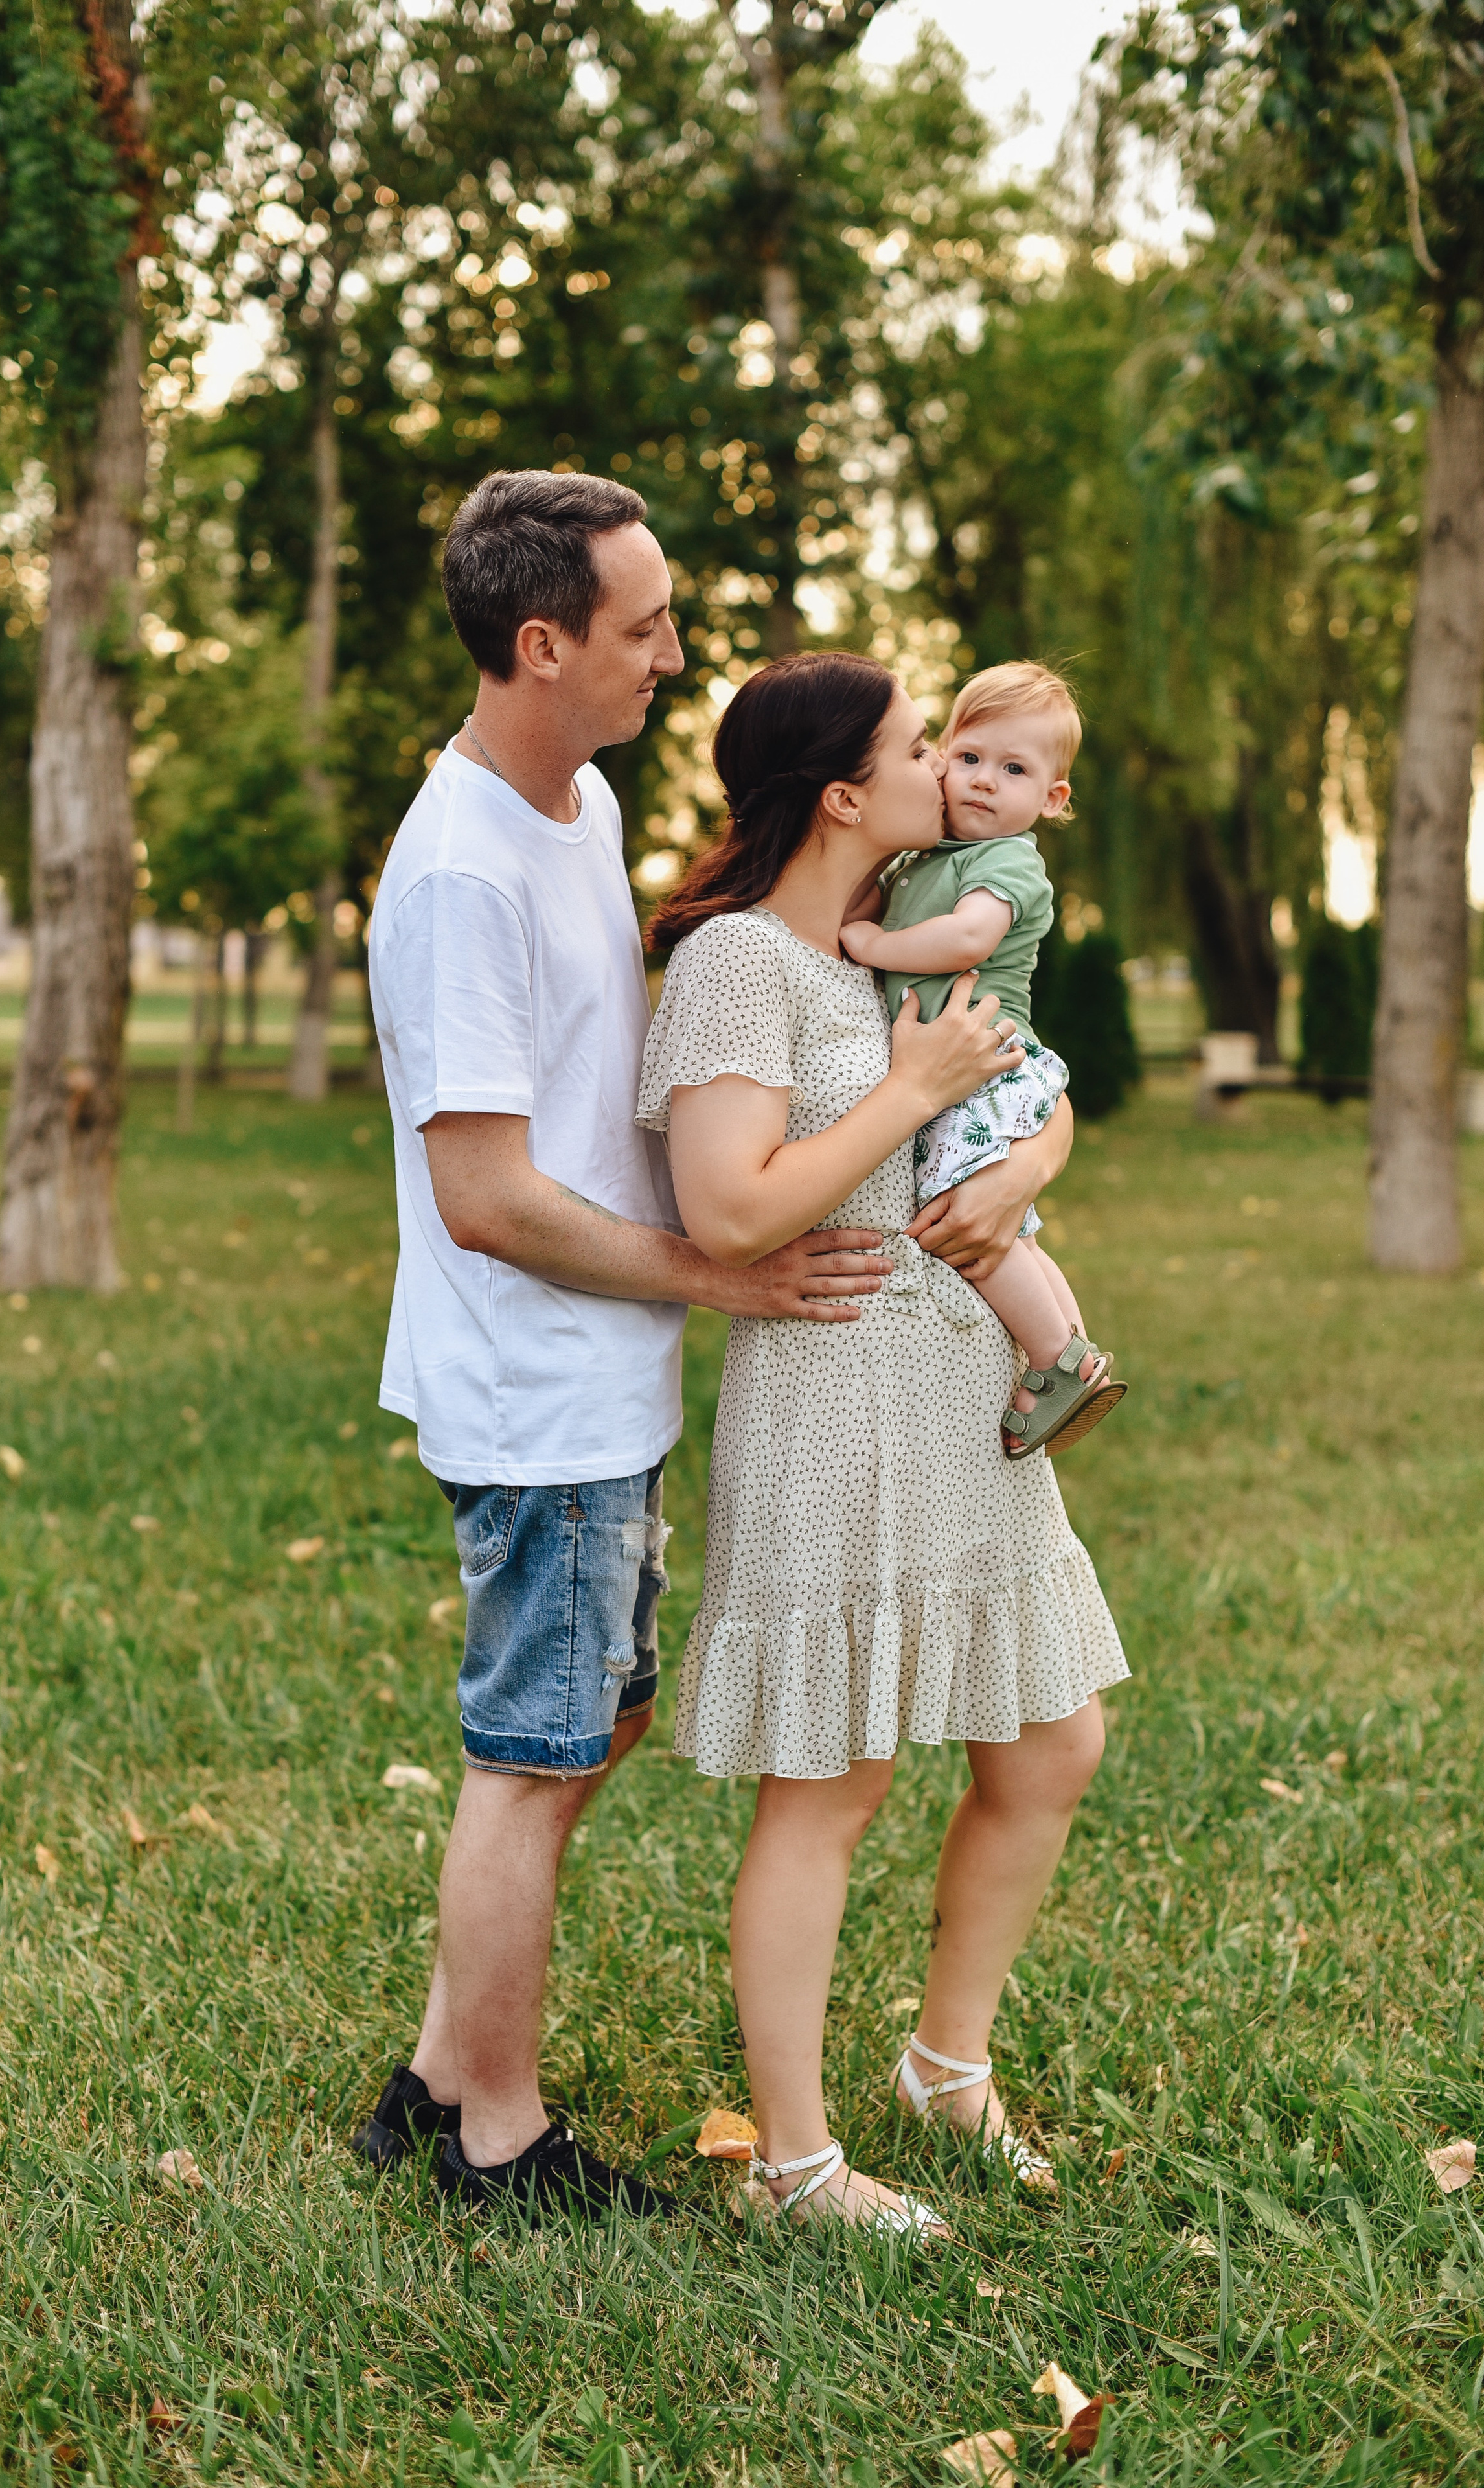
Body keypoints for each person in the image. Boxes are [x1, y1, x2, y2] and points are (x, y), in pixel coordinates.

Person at [355, 470, 914, 2222]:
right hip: (538, 1394)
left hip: (602, 1377)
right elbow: (485, 1197)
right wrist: (716, 1272)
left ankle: (437, 2081)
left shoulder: (576, 801)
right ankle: (497, 2137)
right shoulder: (461, 871)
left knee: (586, 1727)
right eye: (643, 624)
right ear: (543, 642)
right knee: (530, 1763)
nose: (672, 654)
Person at [637, 650, 1129, 2235]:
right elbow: (726, 1208)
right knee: (831, 1790)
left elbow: (1022, 1077)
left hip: (958, 1391)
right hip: (834, 1400)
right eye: (924, 746)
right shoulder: (741, 961)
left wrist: (1023, 1162)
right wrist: (908, 1092)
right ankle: (794, 2162)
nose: (949, 766)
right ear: (845, 792)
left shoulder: (914, 922)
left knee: (1050, 1743)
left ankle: (943, 2065)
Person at [841, 662, 1126, 1460]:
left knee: (966, 1216)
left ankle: (1053, 1361)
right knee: (1014, 1235)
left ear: (1053, 798)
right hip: (967, 1070)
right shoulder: (926, 856)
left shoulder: (1006, 861)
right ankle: (1077, 1352)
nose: (983, 781)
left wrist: (873, 944)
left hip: (989, 1063)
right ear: (941, 757)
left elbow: (968, 939)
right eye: (967, 758)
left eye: (1013, 770)